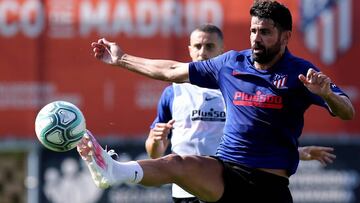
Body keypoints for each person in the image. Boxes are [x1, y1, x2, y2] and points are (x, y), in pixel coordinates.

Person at [79, 1, 355, 202]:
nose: (256, 39)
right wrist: (121, 59)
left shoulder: (301, 72)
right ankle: (113, 171)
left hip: (269, 185)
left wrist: (327, 95)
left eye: (265, 32)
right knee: (177, 163)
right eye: (253, 31)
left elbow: (347, 111)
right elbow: (171, 71)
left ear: (285, 37)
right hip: (225, 172)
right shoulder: (231, 63)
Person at [145, 24, 337, 203]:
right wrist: (155, 141)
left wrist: (299, 154)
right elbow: (155, 153)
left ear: (221, 51)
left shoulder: (235, 88)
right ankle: (120, 171)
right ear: (189, 50)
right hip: (185, 191)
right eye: (197, 46)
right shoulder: (174, 92)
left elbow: (253, 141)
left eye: (209, 46)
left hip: (226, 184)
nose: (202, 52)